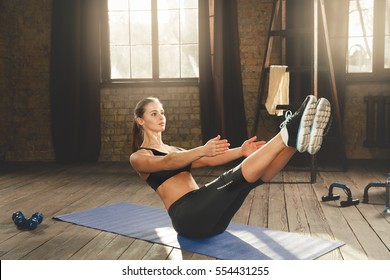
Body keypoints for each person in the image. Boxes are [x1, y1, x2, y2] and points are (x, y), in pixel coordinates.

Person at [129, 95, 331, 238]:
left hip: (213, 222)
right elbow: (168, 162)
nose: (161, 116)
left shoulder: (175, 149)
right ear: (140, 120)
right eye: (154, 113)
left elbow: (208, 159)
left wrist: (240, 151)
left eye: (162, 112)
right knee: (232, 178)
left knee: (250, 181)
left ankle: (293, 144)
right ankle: (288, 131)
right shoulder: (139, 156)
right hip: (187, 216)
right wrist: (201, 149)